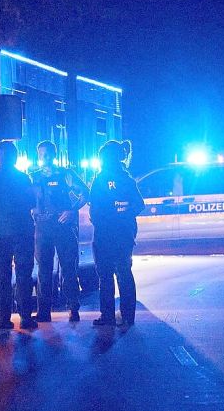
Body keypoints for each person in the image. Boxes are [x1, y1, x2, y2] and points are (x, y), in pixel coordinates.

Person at [30, 140, 89, 323]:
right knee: (43, 271)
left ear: (54, 155)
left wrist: (72, 210)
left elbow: (85, 192)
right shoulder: (33, 177)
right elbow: (25, 198)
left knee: (69, 269)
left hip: (63, 226)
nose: (45, 157)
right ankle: (43, 311)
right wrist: (30, 210)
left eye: (48, 154)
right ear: (38, 156)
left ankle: (73, 308)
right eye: (41, 154)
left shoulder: (66, 175)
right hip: (42, 228)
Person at [89, 140, 144, 329]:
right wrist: (123, 211)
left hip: (107, 235)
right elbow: (138, 205)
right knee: (122, 273)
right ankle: (126, 316)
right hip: (122, 234)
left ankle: (109, 316)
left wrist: (113, 215)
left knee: (108, 276)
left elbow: (94, 207)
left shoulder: (102, 179)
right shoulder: (126, 179)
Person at [0, 140, 37, 330]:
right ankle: (25, 317)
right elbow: (31, 201)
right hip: (22, 230)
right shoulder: (23, 178)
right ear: (15, 157)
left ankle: (3, 319)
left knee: (1, 276)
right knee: (24, 274)